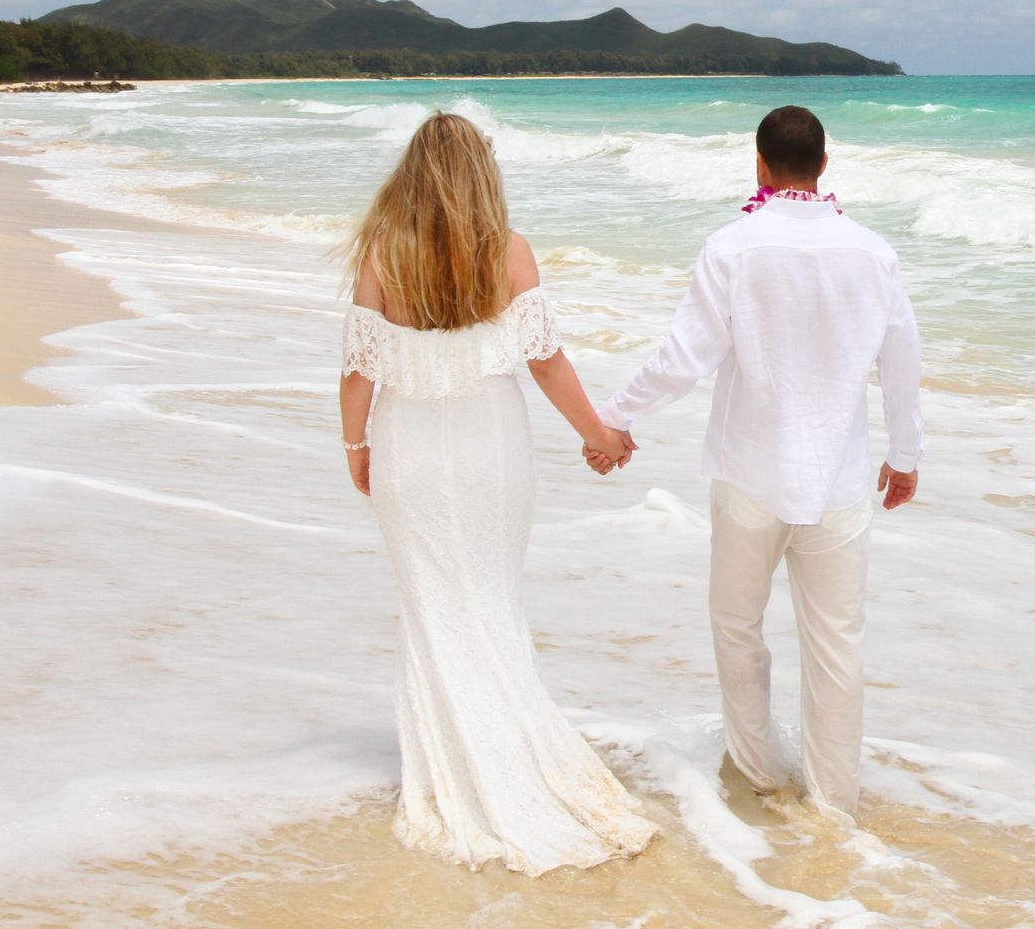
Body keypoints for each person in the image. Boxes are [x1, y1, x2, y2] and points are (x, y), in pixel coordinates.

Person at [337, 111, 654, 874]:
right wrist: (598, 433)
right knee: (489, 599)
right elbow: (545, 361)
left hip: (409, 447)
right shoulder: (509, 253)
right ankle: (507, 754)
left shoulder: (383, 251)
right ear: (482, 175)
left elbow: (359, 369)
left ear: (413, 174)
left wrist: (355, 445)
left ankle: (457, 774)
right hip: (494, 448)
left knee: (435, 605)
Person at [591, 105, 923, 823]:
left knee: (738, 625)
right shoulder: (873, 253)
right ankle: (835, 803)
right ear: (825, 165)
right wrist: (906, 456)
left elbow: (684, 359)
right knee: (838, 644)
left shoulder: (733, 246)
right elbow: (901, 363)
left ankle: (762, 774)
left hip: (750, 475)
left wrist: (613, 417)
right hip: (838, 480)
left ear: (760, 166)